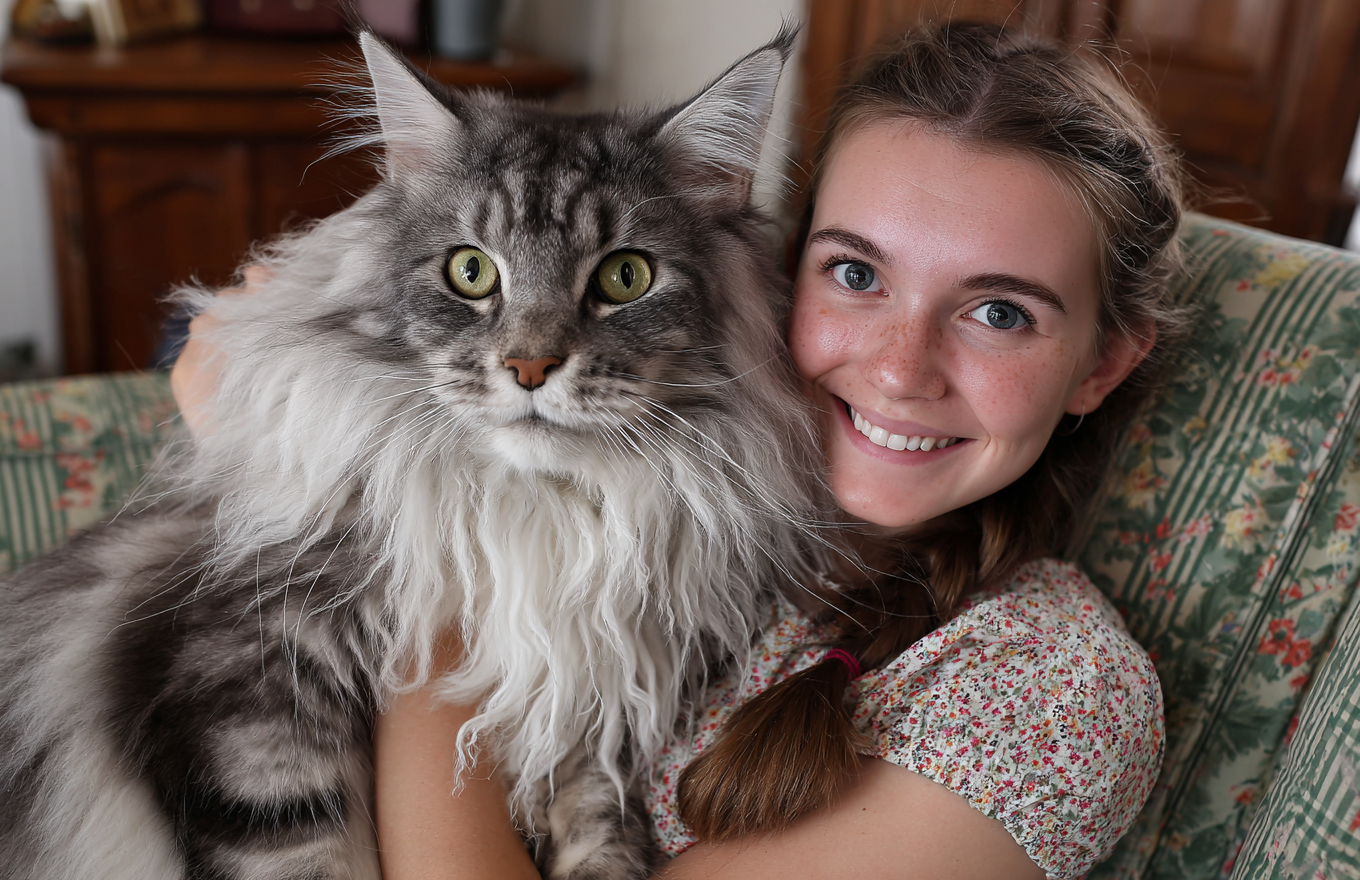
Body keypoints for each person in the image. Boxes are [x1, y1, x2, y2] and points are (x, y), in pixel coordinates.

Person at [172, 21, 1186, 880]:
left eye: (1000, 311)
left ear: (1102, 364)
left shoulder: (1049, 694)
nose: (898, 369)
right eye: (855, 274)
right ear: (777, 272)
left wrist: (388, 560)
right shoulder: (707, 529)